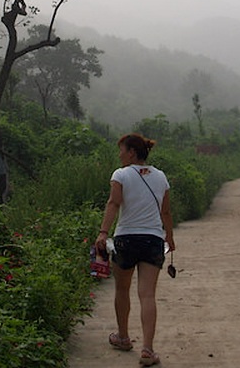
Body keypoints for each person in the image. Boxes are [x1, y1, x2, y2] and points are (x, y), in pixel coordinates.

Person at [95, 133, 175, 367]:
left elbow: (113, 203)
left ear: (132, 152)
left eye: (122, 150)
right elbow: (166, 212)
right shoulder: (161, 177)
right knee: (147, 294)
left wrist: (102, 232)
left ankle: (123, 337)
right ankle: (148, 350)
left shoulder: (120, 174)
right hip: (152, 239)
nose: (119, 154)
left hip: (126, 239)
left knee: (122, 288)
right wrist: (169, 237)